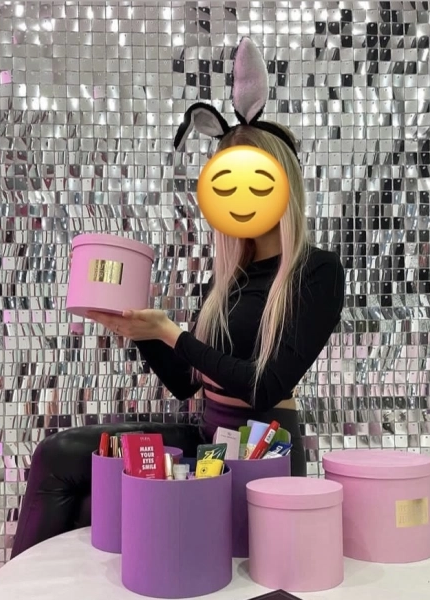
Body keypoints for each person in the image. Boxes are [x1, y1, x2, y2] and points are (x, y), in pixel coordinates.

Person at [87, 121, 345, 476]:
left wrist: (171, 334)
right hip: (212, 444)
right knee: (68, 458)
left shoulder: (318, 271)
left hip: (267, 449)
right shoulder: (229, 278)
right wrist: (140, 331)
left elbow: (264, 388)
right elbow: (186, 381)